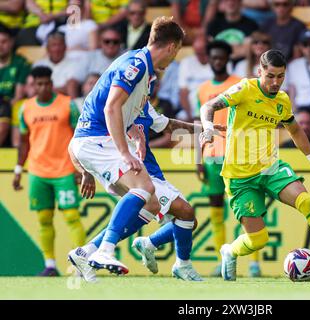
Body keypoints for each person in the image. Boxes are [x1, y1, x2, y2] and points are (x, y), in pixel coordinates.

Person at [199, 49, 310, 281]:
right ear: (260, 72)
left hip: (271, 168)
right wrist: (207, 127)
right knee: (258, 240)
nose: (275, 82)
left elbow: (295, 130)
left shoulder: (282, 100)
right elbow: (208, 106)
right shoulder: (244, 89)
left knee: (308, 202)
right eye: (270, 76)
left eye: (280, 76)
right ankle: (230, 251)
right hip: (239, 177)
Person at [67, 16, 185, 275]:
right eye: (175, 53)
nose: (173, 59)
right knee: (145, 186)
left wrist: (134, 133)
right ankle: (105, 251)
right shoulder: (136, 65)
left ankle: (85, 254)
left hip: (92, 141)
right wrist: (124, 152)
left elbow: (120, 109)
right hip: (96, 138)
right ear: (172, 47)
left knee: (151, 203)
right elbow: (110, 107)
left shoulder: (141, 66)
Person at [69, 101, 221, 282]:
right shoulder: (112, 104)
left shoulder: (145, 107)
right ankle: (182, 264)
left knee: (187, 221)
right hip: (134, 171)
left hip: (150, 171)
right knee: (185, 212)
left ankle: (89, 251)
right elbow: (74, 143)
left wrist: (202, 128)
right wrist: (85, 172)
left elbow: (170, 125)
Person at [197, 40, 263, 277]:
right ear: (209, 59)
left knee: (245, 209)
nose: (217, 61)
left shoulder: (238, 84)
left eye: (221, 57)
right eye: (213, 57)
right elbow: (198, 122)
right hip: (211, 157)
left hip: (235, 155)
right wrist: (198, 159)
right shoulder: (203, 88)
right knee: (216, 209)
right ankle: (221, 260)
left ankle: (254, 261)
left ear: (227, 59)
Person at [12, 66, 86, 276]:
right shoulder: (25, 108)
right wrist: (19, 169)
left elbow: (79, 137)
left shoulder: (67, 105)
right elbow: (24, 143)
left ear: (51, 83)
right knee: (44, 219)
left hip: (64, 171)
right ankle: (50, 265)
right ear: (33, 85)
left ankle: (80, 264)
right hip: (37, 172)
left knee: (72, 216)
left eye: (46, 83)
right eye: (39, 84)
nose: (43, 87)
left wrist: (80, 168)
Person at [0, 24, 31, 147]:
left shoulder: (20, 63)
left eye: (4, 42)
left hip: (10, 104)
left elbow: (18, 95)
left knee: (11, 110)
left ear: (11, 42)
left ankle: (16, 148)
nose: (0, 46)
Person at [33, 31, 81, 99]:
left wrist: (44, 90)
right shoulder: (39, 64)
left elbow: (71, 88)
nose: (57, 49)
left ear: (65, 47)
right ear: (47, 48)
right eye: (53, 45)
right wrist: (61, 89)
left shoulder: (75, 64)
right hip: (41, 102)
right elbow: (32, 88)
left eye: (60, 45)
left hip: (64, 102)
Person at [178, 32, 213, 121]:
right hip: (190, 112)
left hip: (213, 110)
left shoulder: (219, 63)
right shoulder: (186, 63)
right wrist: (190, 115)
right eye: (198, 53)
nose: (200, 56)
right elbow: (183, 93)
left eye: (203, 53)